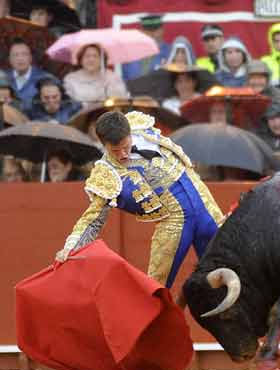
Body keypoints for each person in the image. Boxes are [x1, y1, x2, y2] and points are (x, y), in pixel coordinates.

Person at [54, 110, 225, 291]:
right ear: (103, 145)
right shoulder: (106, 172)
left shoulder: (140, 126)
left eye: (125, 147)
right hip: (175, 222)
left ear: (129, 134)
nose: (122, 155)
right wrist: (71, 247)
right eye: (115, 151)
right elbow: (93, 218)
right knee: (156, 289)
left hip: (202, 199)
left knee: (227, 266)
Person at [63, 44, 128, 106]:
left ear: (102, 59)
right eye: (87, 56)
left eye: (95, 56)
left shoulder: (113, 77)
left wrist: (109, 90)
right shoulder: (70, 79)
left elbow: (122, 100)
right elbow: (70, 103)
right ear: (81, 59)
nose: (91, 60)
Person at [6, 38, 54, 111]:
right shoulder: (3, 78)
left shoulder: (46, 78)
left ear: (30, 58)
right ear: (9, 59)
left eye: (24, 54)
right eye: (15, 55)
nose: (20, 58)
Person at [121, 15, 171, 81]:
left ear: (162, 30)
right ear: (141, 31)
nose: (151, 34)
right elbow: (125, 79)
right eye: (147, 30)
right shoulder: (130, 54)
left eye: (155, 30)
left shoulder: (171, 53)